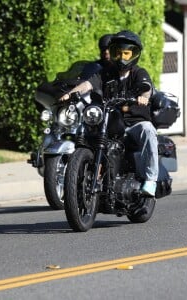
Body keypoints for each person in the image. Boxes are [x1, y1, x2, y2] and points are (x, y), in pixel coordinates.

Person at [60, 30, 158, 197]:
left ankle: (150, 180)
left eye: (126, 54)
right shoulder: (105, 72)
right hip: (109, 121)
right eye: (117, 53)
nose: (121, 57)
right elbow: (88, 84)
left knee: (148, 129)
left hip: (133, 122)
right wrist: (70, 94)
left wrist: (143, 97)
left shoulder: (139, 73)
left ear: (133, 55)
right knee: (88, 133)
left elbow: (146, 88)